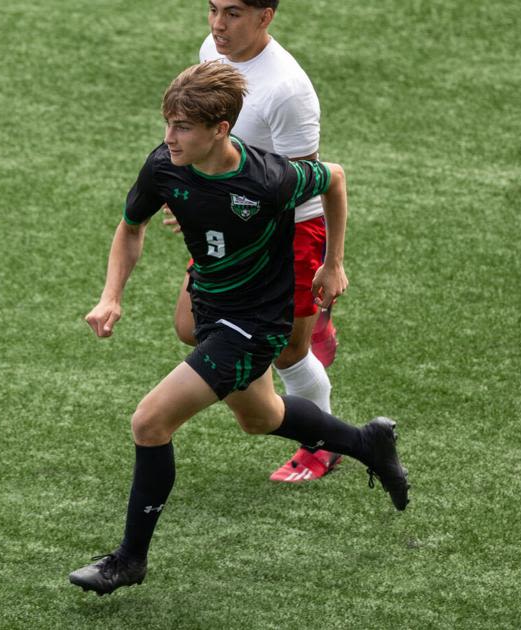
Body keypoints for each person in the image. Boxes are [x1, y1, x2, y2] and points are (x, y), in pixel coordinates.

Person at [69, 61, 409, 597]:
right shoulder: (166, 165)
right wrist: (112, 295)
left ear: (220, 129)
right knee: (262, 417)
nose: (169, 138)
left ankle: (129, 559)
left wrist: (333, 262)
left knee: (150, 422)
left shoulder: (268, 178)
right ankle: (368, 442)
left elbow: (336, 178)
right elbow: (130, 227)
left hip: (256, 325)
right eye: (167, 124)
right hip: (211, 307)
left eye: (182, 127)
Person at [163, 0, 340, 483]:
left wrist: (332, 262)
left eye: (234, 13)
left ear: (266, 16)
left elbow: (310, 185)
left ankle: (321, 447)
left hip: (288, 230)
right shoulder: (212, 54)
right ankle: (303, 332)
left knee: (288, 353)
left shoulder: (287, 90)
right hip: (232, 220)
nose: (218, 25)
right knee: (190, 324)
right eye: (213, 9)